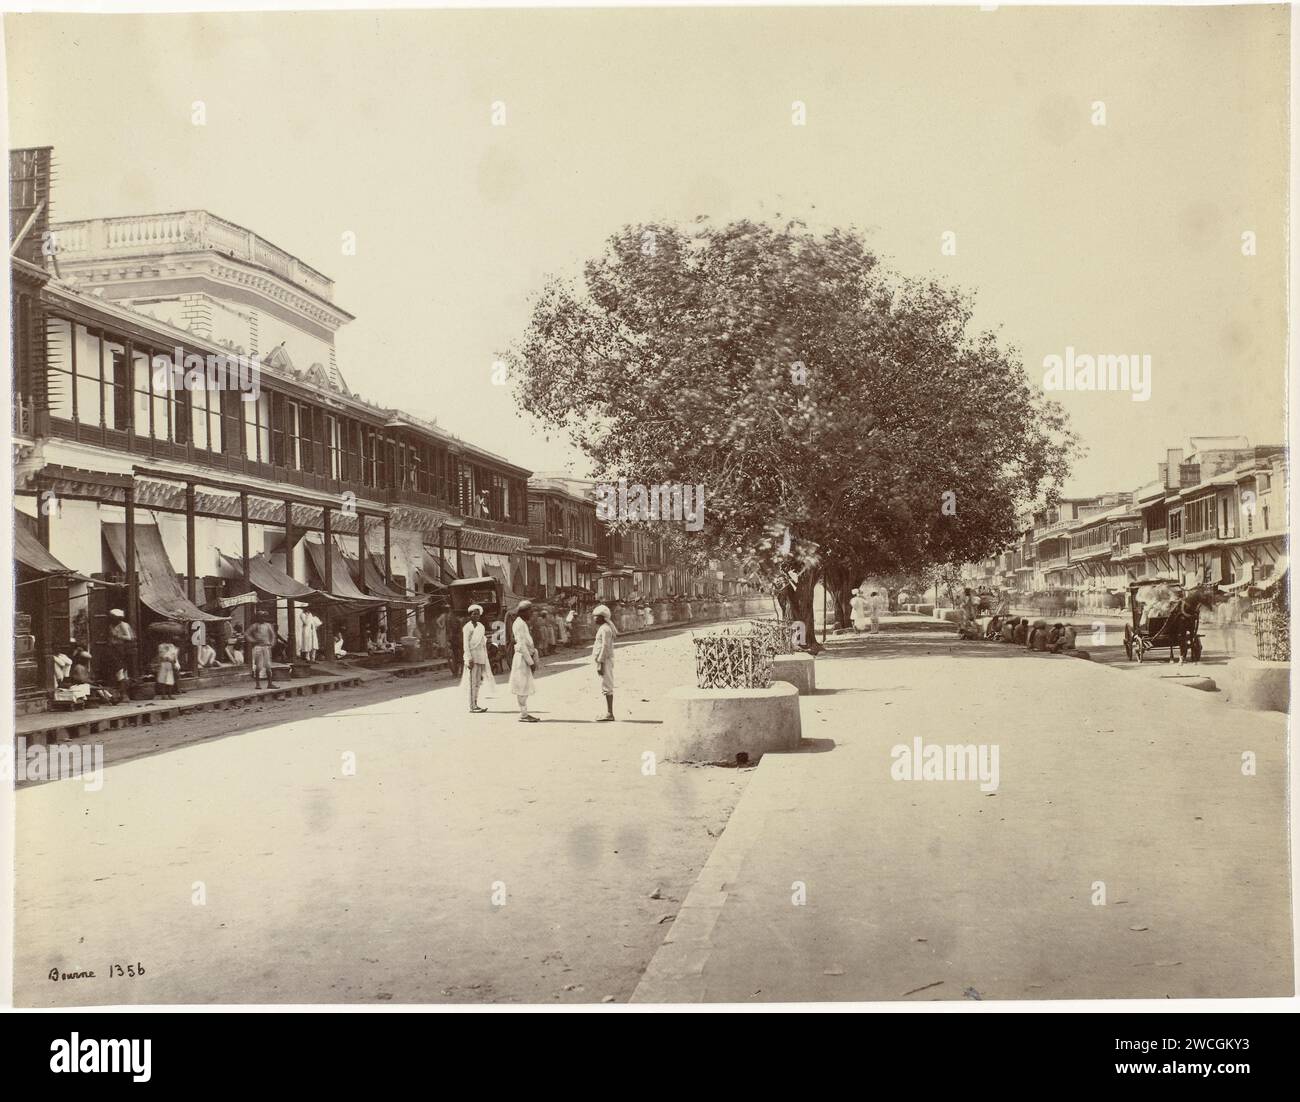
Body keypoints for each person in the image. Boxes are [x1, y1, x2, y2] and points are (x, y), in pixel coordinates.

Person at [508, 600, 540, 722]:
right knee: (522, 686)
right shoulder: (519, 624)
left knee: (525, 686)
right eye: (529, 611)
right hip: (522, 658)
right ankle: (523, 714)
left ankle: (524, 712)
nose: (531, 614)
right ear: (523, 612)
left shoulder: (522, 623)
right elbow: (521, 645)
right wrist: (530, 662)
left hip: (526, 657)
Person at [460, 603, 492, 713]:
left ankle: (476, 703)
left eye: (478, 614)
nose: (476, 616)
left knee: (478, 681)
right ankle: (472, 706)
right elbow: (466, 644)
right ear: (470, 615)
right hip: (472, 656)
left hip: (481, 656)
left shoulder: (481, 626)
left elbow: (483, 642)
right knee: (472, 682)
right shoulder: (467, 627)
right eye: (474, 614)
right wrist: (468, 658)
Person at [592, 603, 617, 722]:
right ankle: (609, 712)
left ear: (602, 617)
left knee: (607, 685)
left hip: (605, 660)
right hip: (604, 660)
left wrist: (600, 663)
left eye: (596, 616)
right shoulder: (604, 628)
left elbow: (605, 647)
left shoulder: (605, 629)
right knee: (606, 684)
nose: (594, 619)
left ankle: (609, 713)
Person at [244, 611, 278, 690]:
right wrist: (253, 640)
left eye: (263, 617)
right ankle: (258, 684)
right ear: (258, 617)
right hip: (258, 647)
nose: (262, 618)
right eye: (261, 617)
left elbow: (273, 635)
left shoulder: (268, 625)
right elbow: (246, 634)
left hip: (266, 647)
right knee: (258, 666)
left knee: (268, 666)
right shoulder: (254, 626)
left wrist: (271, 644)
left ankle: (270, 683)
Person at [108, 609, 136, 698]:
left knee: (121, 669)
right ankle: (122, 694)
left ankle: (124, 694)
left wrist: (117, 636)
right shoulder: (112, 626)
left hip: (121, 648)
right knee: (119, 670)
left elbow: (129, 637)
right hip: (114, 648)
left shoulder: (123, 625)